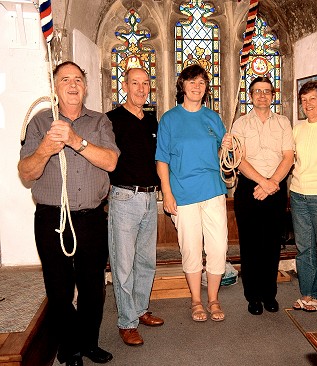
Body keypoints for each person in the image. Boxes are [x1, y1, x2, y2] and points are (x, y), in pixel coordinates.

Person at [18, 61, 120, 366]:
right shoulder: (39, 123)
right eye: (65, 79)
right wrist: (47, 148)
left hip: (91, 218)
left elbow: (111, 162)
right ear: (55, 87)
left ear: (86, 87)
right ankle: (70, 347)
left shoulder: (100, 122)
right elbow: (25, 172)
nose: (73, 84)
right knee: (59, 289)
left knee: (93, 288)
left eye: (78, 79)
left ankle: (88, 342)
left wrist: (76, 140)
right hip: (52, 218)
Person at [155, 64, 232, 322]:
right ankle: (196, 301)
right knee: (190, 248)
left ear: (206, 88)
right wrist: (167, 193)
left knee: (218, 247)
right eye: (192, 82)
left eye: (202, 82)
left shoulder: (213, 118)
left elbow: (224, 156)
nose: (197, 86)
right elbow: (162, 160)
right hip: (183, 193)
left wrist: (227, 146)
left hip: (213, 191)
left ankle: (213, 298)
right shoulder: (169, 119)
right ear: (182, 86)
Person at [106, 67, 164, 347]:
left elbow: (160, 160)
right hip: (124, 199)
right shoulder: (111, 120)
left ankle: (140, 310)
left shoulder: (152, 121)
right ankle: (126, 321)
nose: (141, 89)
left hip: (150, 198)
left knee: (146, 261)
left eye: (145, 83)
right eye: (135, 83)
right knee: (123, 264)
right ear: (125, 86)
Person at [231, 76, 294, 315]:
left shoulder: (283, 122)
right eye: (257, 91)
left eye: (266, 91)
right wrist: (262, 182)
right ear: (250, 96)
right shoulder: (240, 124)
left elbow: (288, 156)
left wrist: (272, 182)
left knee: (271, 245)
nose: (262, 95)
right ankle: (253, 297)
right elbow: (239, 159)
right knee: (250, 245)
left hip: (276, 188)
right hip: (249, 188)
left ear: (272, 95)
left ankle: (270, 295)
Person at [290, 81, 317, 312]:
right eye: (304, 100)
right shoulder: (297, 129)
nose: (308, 104)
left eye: (312, 99)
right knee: (304, 248)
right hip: (298, 194)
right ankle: (306, 292)